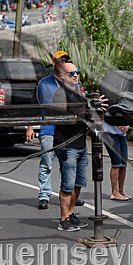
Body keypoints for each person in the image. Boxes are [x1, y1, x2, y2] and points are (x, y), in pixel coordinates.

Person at [26, 50, 84, 211]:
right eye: (60, 61)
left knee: (67, 164)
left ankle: (67, 194)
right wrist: (30, 126)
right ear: (54, 63)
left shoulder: (75, 82)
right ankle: (44, 195)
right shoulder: (44, 83)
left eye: (65, 60)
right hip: (49, 128)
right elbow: (34, 106)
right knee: (47, 162)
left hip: (68, 131)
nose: (62, 63)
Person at [51, 63, 90, 232]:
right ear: (61, 77)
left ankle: (71, 214)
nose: (75, 75)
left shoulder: (79, 92)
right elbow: (61, 117)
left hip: (81, 144)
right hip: (67, 145)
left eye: (77, 72)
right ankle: (63, 219)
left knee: (78, 183)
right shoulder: (60, 94)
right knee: (67, 184)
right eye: (71, 73)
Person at [102, 122, 130, 201]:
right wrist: (117, 122)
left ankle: (121, 191)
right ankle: (114, 192)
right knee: (116, 162)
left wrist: (128, 124)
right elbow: (105, 112)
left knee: (123, 163)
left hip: (122, 133)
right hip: (109, 132)